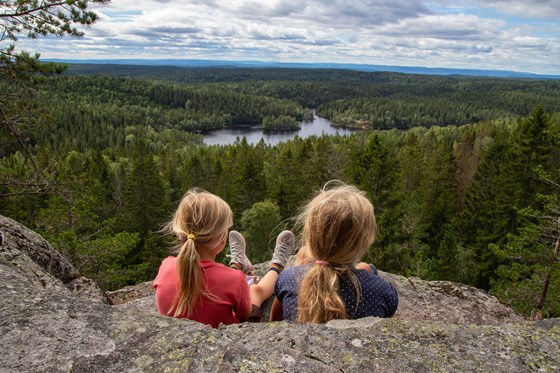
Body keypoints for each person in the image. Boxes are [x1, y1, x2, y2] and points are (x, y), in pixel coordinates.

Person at [153, 188, 295, 328]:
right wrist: (244, 288)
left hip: (180, 338)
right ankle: (277, 266)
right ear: (220, 239)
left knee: (234, 283)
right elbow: (244, 315)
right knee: (255, 292)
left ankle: (237, 263)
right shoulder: (234, 280)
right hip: (225, 337)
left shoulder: (165, 266)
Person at [270, 182, 398, 323]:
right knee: (368, 269)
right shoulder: (383, 291)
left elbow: (275, 325)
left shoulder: (288, 278)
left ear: (311, 236)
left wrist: (300, 268)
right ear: (363, 241)